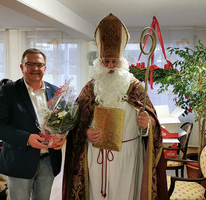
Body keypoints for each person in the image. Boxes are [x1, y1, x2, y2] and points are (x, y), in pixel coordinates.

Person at [62, 13, 167, 200]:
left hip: (127, 157)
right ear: (99, 62)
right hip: (95, 155)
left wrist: (146, 125)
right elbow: (77, 124)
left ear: (122, 62)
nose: (110, 66)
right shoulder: (90, 87)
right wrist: (86, 132)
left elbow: (153, 125)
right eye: (106, 62)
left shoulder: (135, 88)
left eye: (114, 62)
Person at [0, 48, 66, 200]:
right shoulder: (8, 91)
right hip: (19, 159)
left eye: (39, 64)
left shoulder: (56, 91)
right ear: (22, 67)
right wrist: (27, 138)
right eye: (29, 64)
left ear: (45, 68)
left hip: (49, 161)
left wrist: (62, 135)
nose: (35, 68)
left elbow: (63, 122)